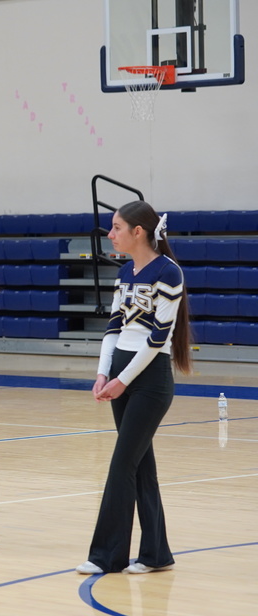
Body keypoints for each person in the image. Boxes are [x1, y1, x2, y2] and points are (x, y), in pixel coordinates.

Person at [77, 201, 191, 575]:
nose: (111, 235)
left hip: (150, 380)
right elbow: (114, 328)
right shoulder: (125, 272)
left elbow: (157, 338)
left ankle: (105, 556)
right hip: (120, 372)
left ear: (137, 231)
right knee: (140, 466)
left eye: (116, 227)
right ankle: (156, 554)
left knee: (122, 463)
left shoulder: (168, 272)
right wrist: (102, 373)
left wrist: (121, 381)